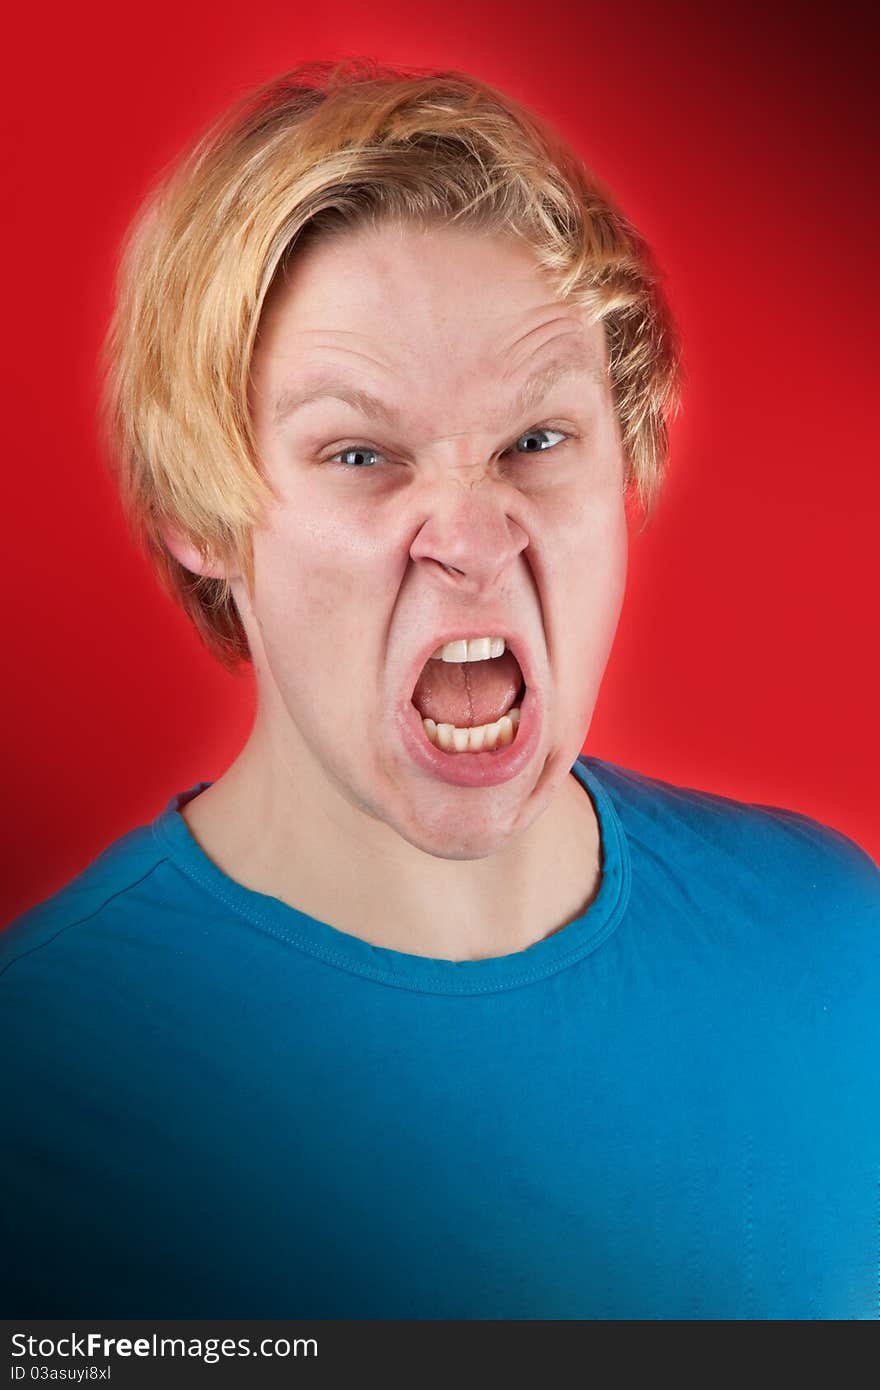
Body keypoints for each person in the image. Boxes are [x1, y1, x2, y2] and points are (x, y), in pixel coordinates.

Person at [1, 58, 877, 1321]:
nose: (470, 536)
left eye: (537, 440)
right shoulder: (45, 1083)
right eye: (360, 453)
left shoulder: (837, 951)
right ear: (203, 511)